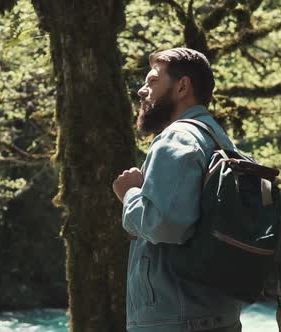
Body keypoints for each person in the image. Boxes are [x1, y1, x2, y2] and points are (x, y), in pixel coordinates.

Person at [112, 48, 243, 332]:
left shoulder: (177, 137)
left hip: (175, 319)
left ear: (182, 86)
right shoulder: (219, 139)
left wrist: (130, 194)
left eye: (153, 81)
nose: (142, 91)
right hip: (220, 313)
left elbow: (164, 225)